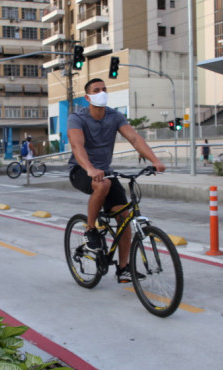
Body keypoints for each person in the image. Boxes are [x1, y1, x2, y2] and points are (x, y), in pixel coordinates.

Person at [67, 78, 166, 284]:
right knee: (102, 184)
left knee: (124, 217)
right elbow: (78, 147)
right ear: (87, 97)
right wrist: (90, 168)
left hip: (106, 172)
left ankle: (123, 269)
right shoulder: (77, 118)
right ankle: (91, 229)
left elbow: (135, 139)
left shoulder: (114, 116)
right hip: (81, 169)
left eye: (104, 89)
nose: (101, 92)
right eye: (96, 90)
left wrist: (155, 160)